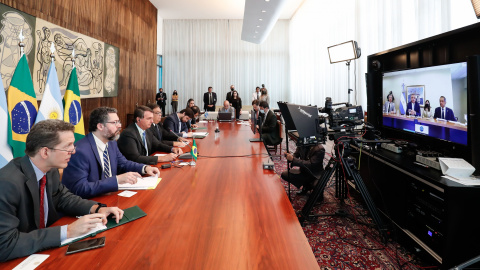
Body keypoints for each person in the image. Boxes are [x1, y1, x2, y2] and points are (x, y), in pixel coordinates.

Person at [0, 119, 124, 262]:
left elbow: (63, 197)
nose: (74, 150)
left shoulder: (49, 169)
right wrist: (68, 231)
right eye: (68, 146)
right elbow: (5, 245)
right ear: (45, 152)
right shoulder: (7, 183)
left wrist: (97, 209)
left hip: (45, 251)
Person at [62, 107, 159, 198]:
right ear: (100, 126)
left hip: (109, 196)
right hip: (90, 203)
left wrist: (145, 168)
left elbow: (123, 163)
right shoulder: (80, 151)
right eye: (114, 122)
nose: (120, 125)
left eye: (119, 122)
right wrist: (116, 180)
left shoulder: (111, 143)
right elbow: (80, 188)